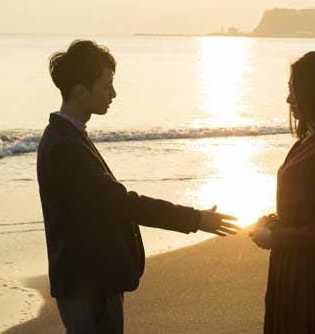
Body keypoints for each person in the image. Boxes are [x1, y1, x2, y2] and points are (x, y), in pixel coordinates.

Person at [37, 39, 239, 334]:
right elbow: (124, 203)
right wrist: (195, 219)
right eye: (106, 86)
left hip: (90, 281)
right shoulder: (65, 146)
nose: (113, 94)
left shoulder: (69, 136)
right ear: (80, 92)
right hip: (87, 286)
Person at [249, 51, 315, 333]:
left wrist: (275, 236)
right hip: (289, 266)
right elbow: (302, 208)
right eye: (289, 90)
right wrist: (272, 221)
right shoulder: (307, 142)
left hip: (312, 275)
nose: (288, 100)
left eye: (294, 90)